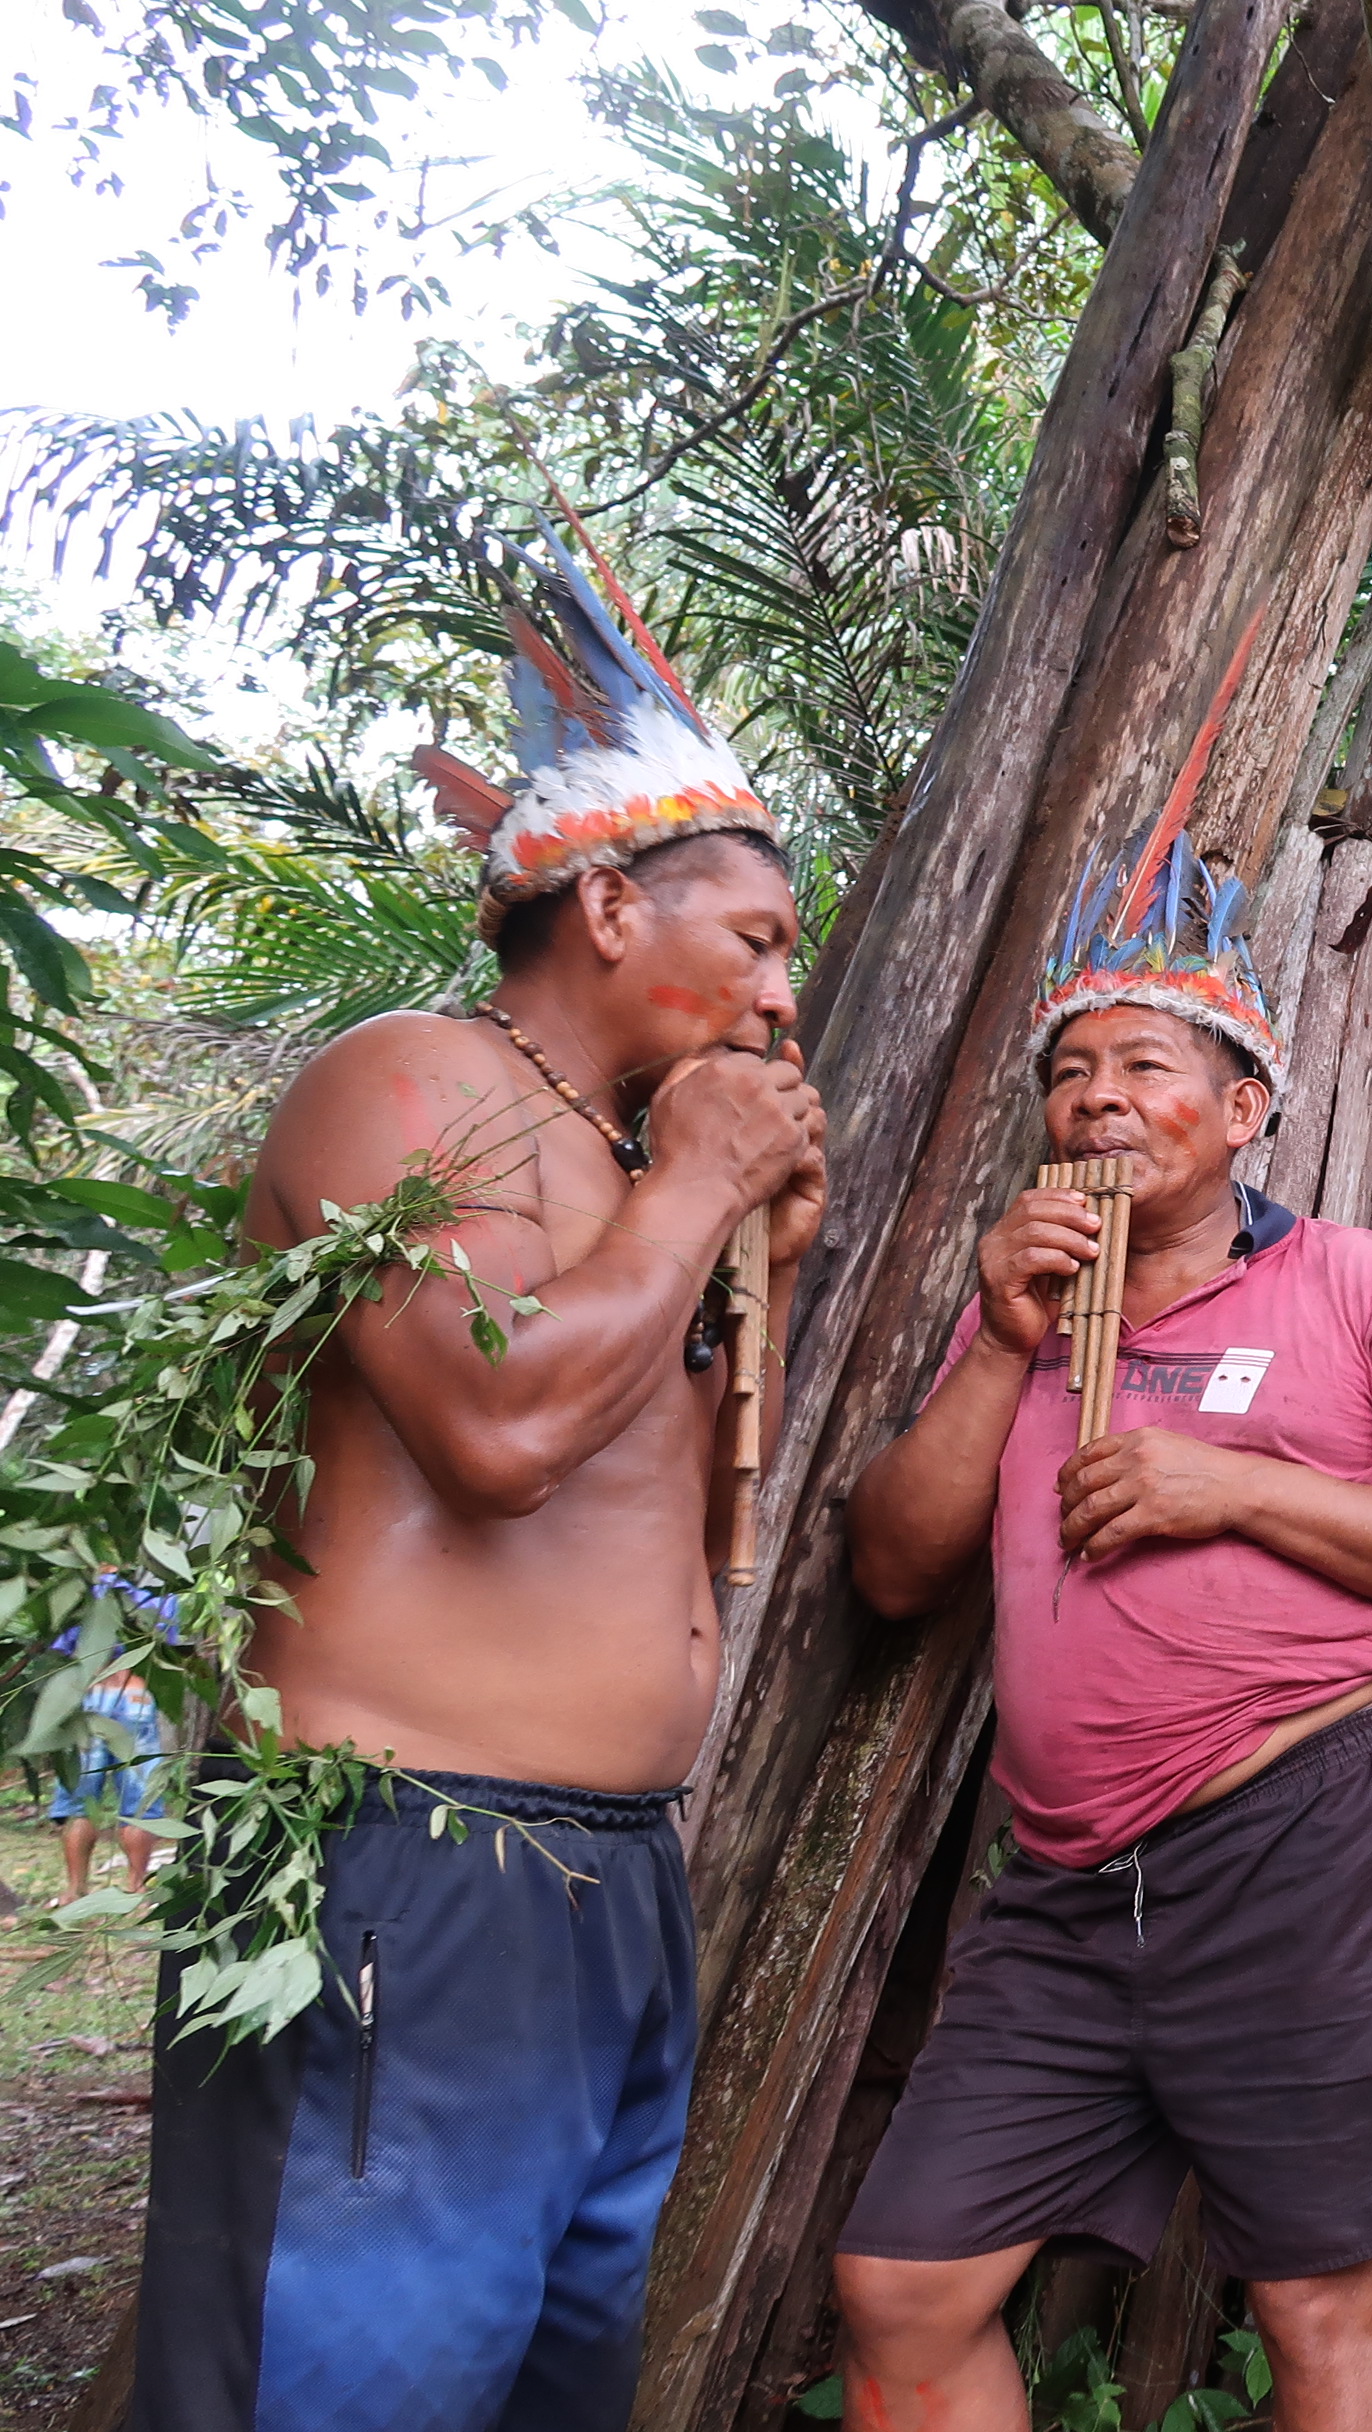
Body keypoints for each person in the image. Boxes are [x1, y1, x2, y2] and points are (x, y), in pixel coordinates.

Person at [133, 522, 826, 2432]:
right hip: (397, 1854)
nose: (780, 1000)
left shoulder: (632, 1172)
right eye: (754, 941)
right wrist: (696, 1185)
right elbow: (500, 1437)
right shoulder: (407, 1080)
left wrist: (738, 1238)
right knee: (339, 2383)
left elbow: (672, 1543)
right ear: (608, 907)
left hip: (608, 1886)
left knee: (537, 2385)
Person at [830, 828, 1372, 2432]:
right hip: (1065, 1882)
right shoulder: (1019, 1319)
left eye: (1142, 1065)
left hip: (1307, 1841)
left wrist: (1231, 1489)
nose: (1094, 1100)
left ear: (1242, 1113)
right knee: (904, 2291)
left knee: (1317, 2303)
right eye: (1069, 1074)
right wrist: (1004, 1344)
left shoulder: (1355, 1284)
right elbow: (889, 1568)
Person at [52, 1656, 163, 1906]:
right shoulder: (154, 1614)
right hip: (134, 1695)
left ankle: (75, 1891)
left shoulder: (73, 1617)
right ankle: (136, 1888)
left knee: (79, 1803)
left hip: (85, 1694)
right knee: (140, 1803)